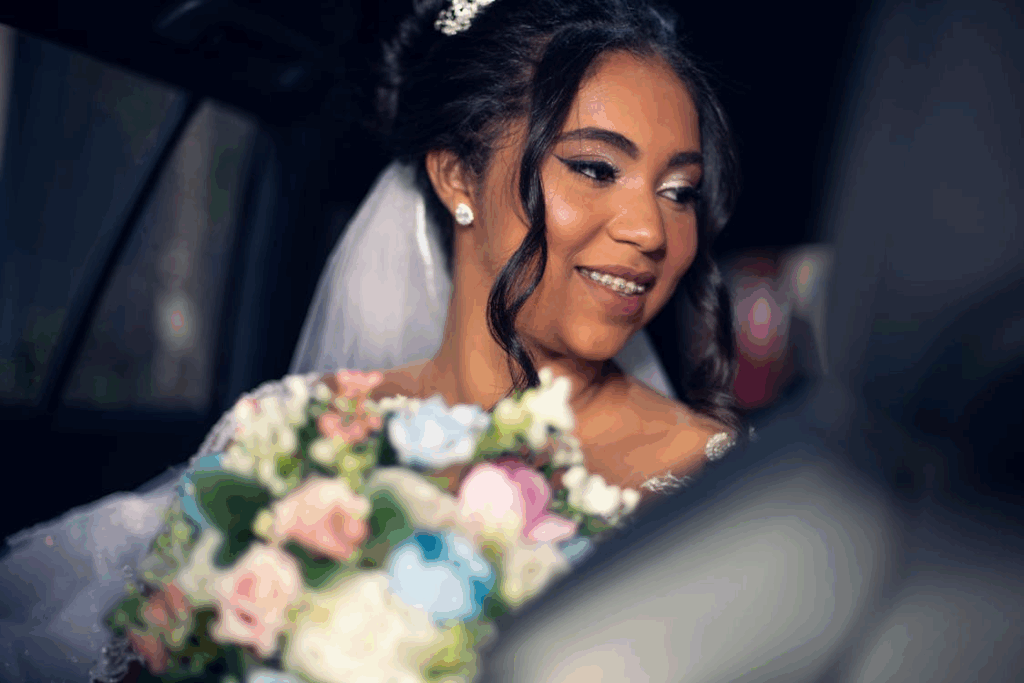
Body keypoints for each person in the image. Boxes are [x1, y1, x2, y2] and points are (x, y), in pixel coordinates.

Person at [0, 0, 749, 680]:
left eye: (678, 190)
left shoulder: (717, 475)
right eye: (594, 167)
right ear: (458, 176)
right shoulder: (289, 437)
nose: (652, 231)